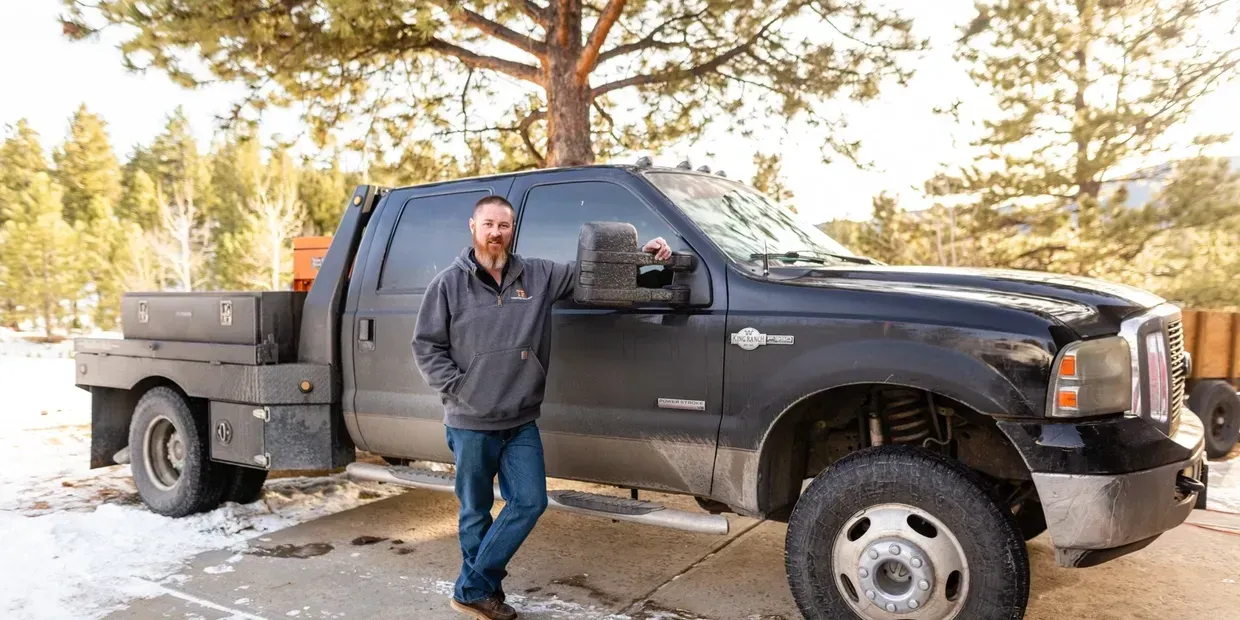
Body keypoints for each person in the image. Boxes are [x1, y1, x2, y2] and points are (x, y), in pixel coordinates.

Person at [411, 195, 671, 620]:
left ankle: (471, 588)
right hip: (470, 421)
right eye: (489, 224)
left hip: (520, 421)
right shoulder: (447, 285)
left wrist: (646, 259)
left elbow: (597, 276)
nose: (497, 233)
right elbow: (426, 347)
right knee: (475, 512)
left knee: (530, 502)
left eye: (505, 226)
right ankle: (483, 595)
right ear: (473, 227)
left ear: (513, 231)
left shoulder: (540, 274)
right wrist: (462, 389)